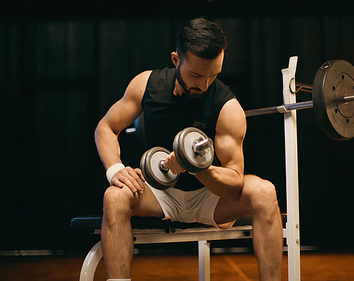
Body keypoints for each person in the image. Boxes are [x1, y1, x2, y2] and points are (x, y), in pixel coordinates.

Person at [94, 18, 283, 281]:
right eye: (196, 75)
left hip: (210, 197)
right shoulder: (146, 85)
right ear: (176, 59)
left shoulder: (227, 107)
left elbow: (234, 183)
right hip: (159, 194)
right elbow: (105, 127)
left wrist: (196, 168)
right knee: (114, 197)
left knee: (264, 192)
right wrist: (115, 169)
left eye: (213, 75)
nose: (204, 85)